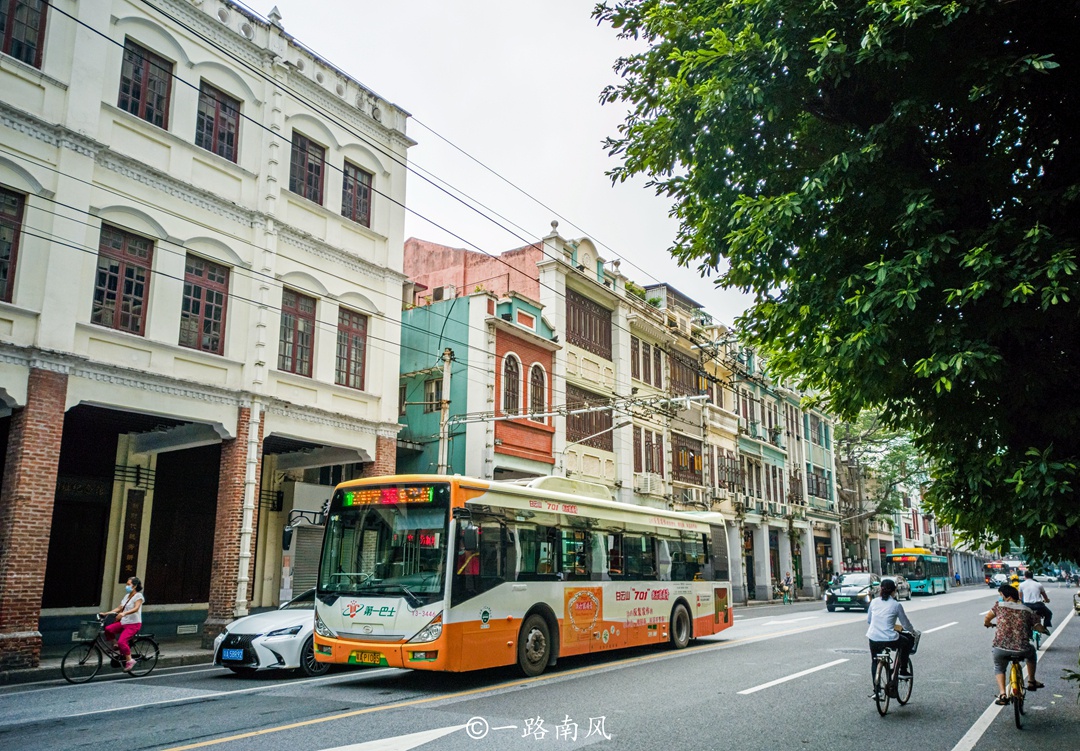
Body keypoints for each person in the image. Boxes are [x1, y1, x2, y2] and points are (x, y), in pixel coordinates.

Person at [985, 583, 1048, 704]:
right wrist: (1043, 630)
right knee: (1032, 654)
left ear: (1008, 597)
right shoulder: (1027, 610)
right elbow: (1037, 626)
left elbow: (987, 618)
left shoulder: (999, 606)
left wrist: (988, 624)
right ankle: (1031, 681)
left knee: (999, 667)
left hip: (1001, 648)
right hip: (1022, 649)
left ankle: (1002, 695)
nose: (1001, 598)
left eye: (1001, 595)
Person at [866, 578, 917, 698]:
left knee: (875, 661)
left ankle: (877, 691)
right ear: (894, 591)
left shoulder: (874, 602)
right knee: (906, 641)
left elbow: (869, 620)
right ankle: (903, 670)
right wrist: (913, 632)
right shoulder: (896, 605)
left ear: (880, 589)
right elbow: (905, 624)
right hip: (889, 638)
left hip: (873, 637)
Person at [99, 576, 144, 671]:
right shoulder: (126, 596)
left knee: (122, 642)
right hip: (124, 622)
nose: (126, 586)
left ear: (135, 586)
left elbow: (136, 608)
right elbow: (119, 608)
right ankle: (115, 645)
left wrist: (124, 613)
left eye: (128, 584)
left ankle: (130, 660)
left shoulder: (138, 596)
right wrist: (106, 613)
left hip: (133, 624)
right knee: (108, 629)